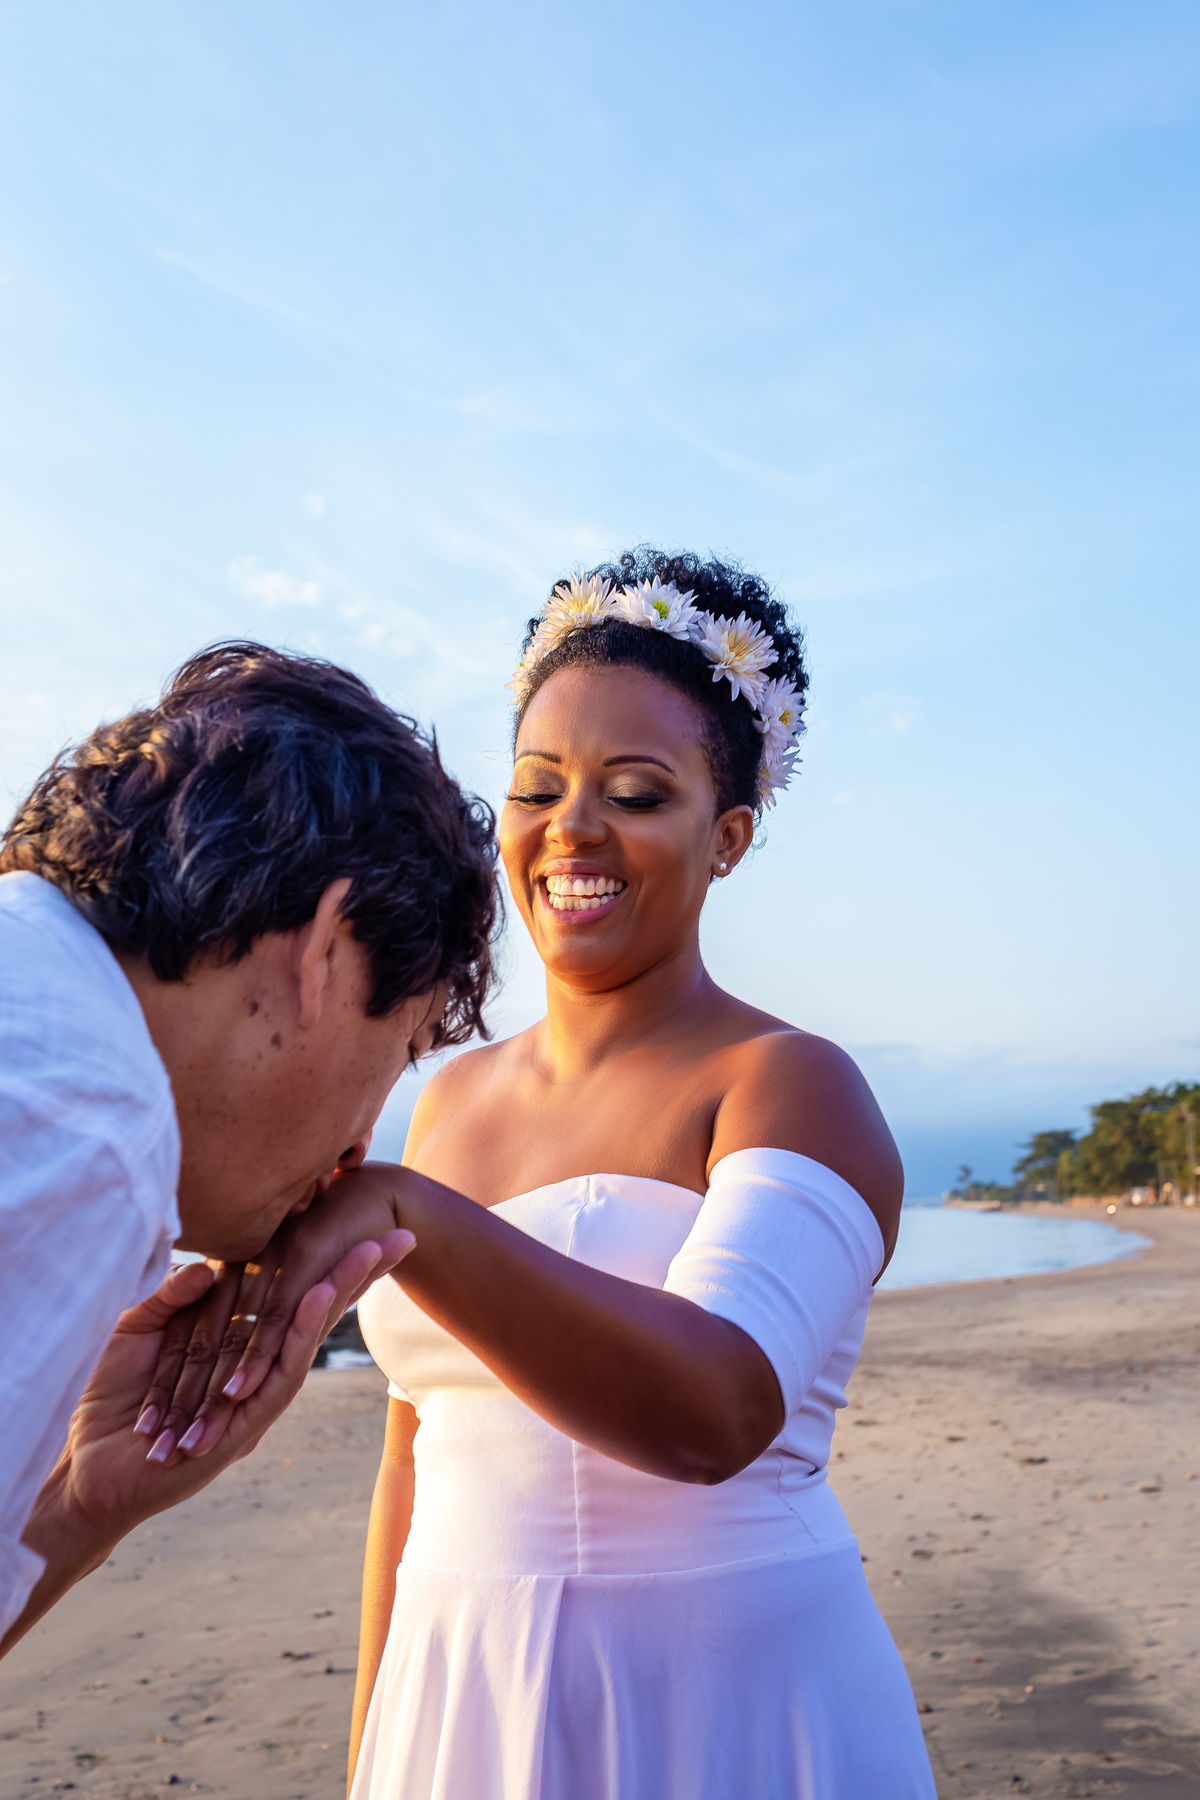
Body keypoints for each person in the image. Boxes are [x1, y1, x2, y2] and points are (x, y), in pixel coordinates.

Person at [241, 549, 928, 1798]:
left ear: (728, 837)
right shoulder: (448, 1099)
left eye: (636, 793)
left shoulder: (788, 1084)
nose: (573, 827)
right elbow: (415, 1456)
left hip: (725, 1694)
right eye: (537, 786)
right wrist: (371, 1747)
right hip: (458, 1689)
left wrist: (411, 1211)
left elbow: (716, 1408)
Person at [0, 641, 497, 1655]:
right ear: (325, 950)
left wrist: (81, 1507)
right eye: (399, 1051)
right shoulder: (90, 1127)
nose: (358, 1146)